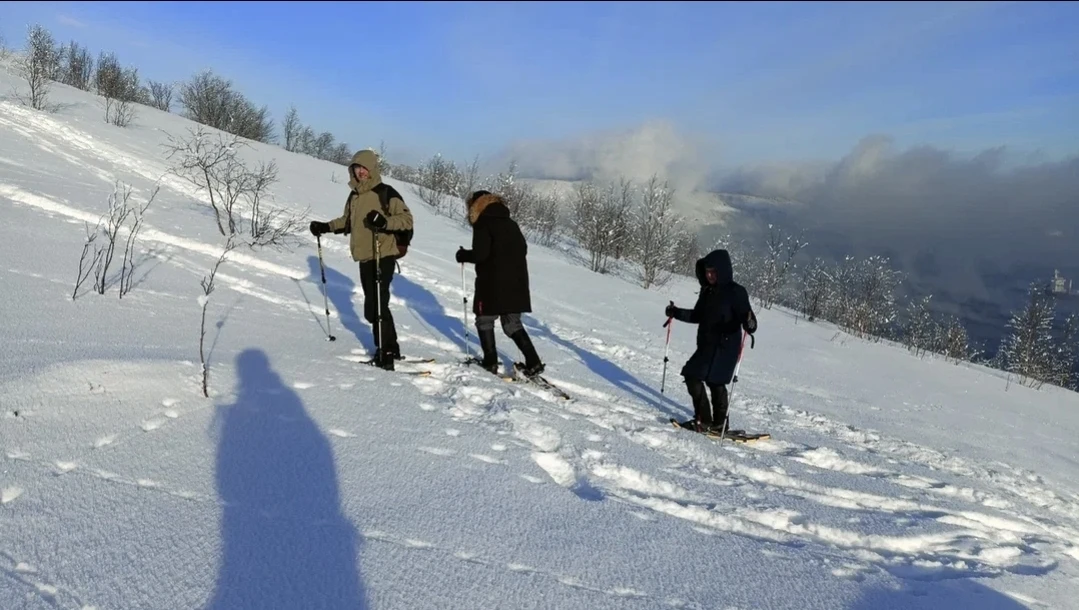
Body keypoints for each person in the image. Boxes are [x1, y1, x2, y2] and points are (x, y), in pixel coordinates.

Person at [309, 149, 413, 371]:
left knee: (376, 305)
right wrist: (325, 226)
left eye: (364, 169)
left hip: (382, 254)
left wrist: (383, 222)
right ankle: (391, 348)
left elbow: (406, 220)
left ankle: (384, 353)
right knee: (376, 305)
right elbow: (347, 221)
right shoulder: (355, 196)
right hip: (365, 256)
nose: (360, 173)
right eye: (356, 169)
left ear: (372, 169)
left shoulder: (386, 192)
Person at [665, 248, 757, 433]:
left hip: (725, 346)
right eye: (707, 271)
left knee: (714, 381)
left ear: (723, 271)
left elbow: (750, 322)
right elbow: (698, 315)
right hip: (707, 345)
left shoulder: (736, 292)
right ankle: (708, 420)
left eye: (713, 271)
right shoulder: (707, 291)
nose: (709, 275)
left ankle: (712, 422)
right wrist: (676, 312)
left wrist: (749, 323)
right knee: (695, 376)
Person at [455, 190, 545, 377]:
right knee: (512, 324)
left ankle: (490, 362)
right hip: (517, 282)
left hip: (491, 281)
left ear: (475, 205)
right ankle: (534, 362)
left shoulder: (483, 223)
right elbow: (523, 249)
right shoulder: (511, 223)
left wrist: (463, 255)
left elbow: (481, 254)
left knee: (485, 319)